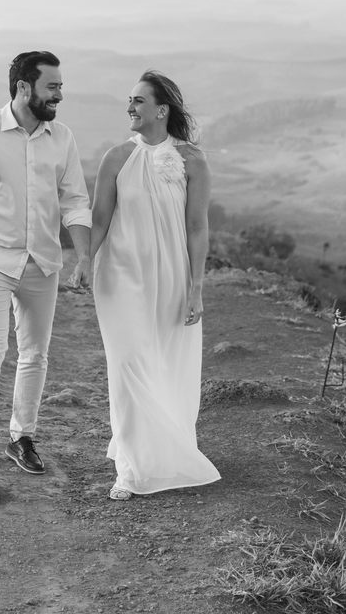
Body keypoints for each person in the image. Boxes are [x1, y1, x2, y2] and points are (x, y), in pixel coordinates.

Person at [0, 51, 92, 499]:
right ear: (24, 87)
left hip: (42, 262)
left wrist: (84, 258)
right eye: (52, 87)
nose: (59, 95)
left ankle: (22, 437)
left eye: (60, 86)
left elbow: (75, 202)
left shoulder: (62, 138)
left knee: (35, 354)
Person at [90, 70, 221, 500]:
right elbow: (99, 219)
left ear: (162, 110)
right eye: (129, 100)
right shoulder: (115, 158)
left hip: (171, 277)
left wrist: (196, 288)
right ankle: (130, 468)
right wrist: (81, 263)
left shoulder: (192, 161)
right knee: (127, 363)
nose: (129, 107)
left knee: (166, 363)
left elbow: (197, 228)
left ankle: (165, 447)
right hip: (119, 276)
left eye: (138, 100)